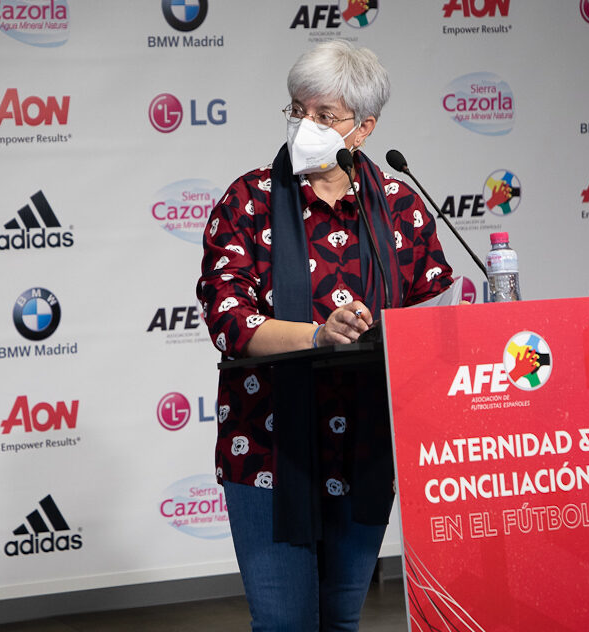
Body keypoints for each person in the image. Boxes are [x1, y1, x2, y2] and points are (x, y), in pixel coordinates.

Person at [196, 40, 454, 631]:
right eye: (296, 109)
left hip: (367, 445)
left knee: (340, 621)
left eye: (324, 115)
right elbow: (229, 321)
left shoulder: (399, 207)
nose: (304, 125)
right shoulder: (248, 200)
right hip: (269, 447)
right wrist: (318, 336)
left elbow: (430, 316)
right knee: (286, 624)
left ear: (363, 130)